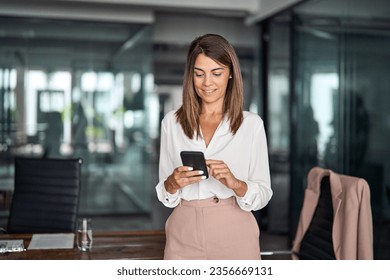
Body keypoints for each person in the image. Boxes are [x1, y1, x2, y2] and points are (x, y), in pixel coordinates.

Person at [155, 34, 272, 260]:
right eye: (199, 74)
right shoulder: (172, 122)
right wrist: (171, 183)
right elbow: (165, 193)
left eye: (216, 73)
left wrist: (235, 184)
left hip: (235, 231)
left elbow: (263, 194)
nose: (207, 83)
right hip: (183, 231)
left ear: (230, 74)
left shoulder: (251, 125)